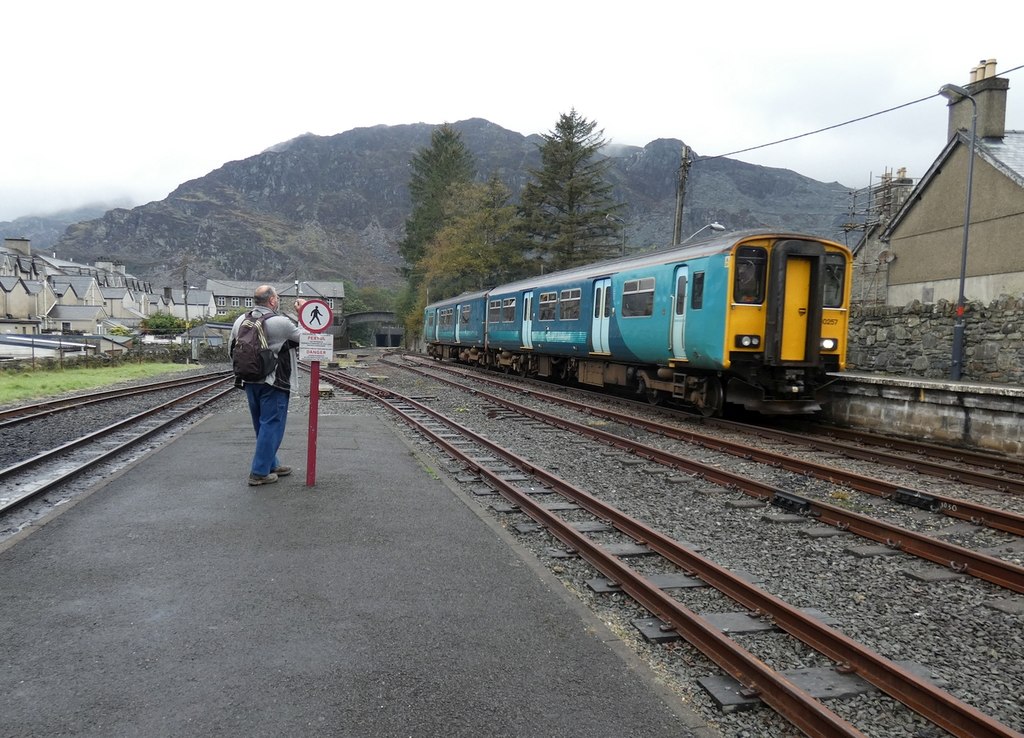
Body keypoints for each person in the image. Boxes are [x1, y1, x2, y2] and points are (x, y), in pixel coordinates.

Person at [230, 285, 307, 486]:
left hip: (249, 381)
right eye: (278, 297)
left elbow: (231, 349)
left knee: (261, 425)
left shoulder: (241, 320)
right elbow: (309, 339)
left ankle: (271, 464)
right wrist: (304, 311)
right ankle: (259, 472)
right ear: (272, 301)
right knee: (272, 425)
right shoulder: (280, 323)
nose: (279, 300)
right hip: (274, 383)